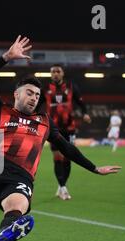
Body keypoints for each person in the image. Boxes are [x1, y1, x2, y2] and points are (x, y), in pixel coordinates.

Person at [0, 36, 121, 241]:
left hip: (20, 176)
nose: (34, 98)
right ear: (17, 94)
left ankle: (10, 228)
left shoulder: (45, 122)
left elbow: (67, 148)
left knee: (15, 205)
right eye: (29, 93)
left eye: (37, 95)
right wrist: (6, 57)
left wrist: (94, 168)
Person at [43, 64, 92, 200]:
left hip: (69, 127)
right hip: (53, 129)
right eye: (53, 72)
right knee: (57, 157)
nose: (55, 74)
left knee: (68, 157)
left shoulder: (71, 86)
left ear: (63, 73)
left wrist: (85, 113)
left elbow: (80, 101)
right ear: (50, 74)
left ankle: (61, 186)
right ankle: (63, 187)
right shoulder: (46, 89)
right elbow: (36, 103)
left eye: (58, 71)